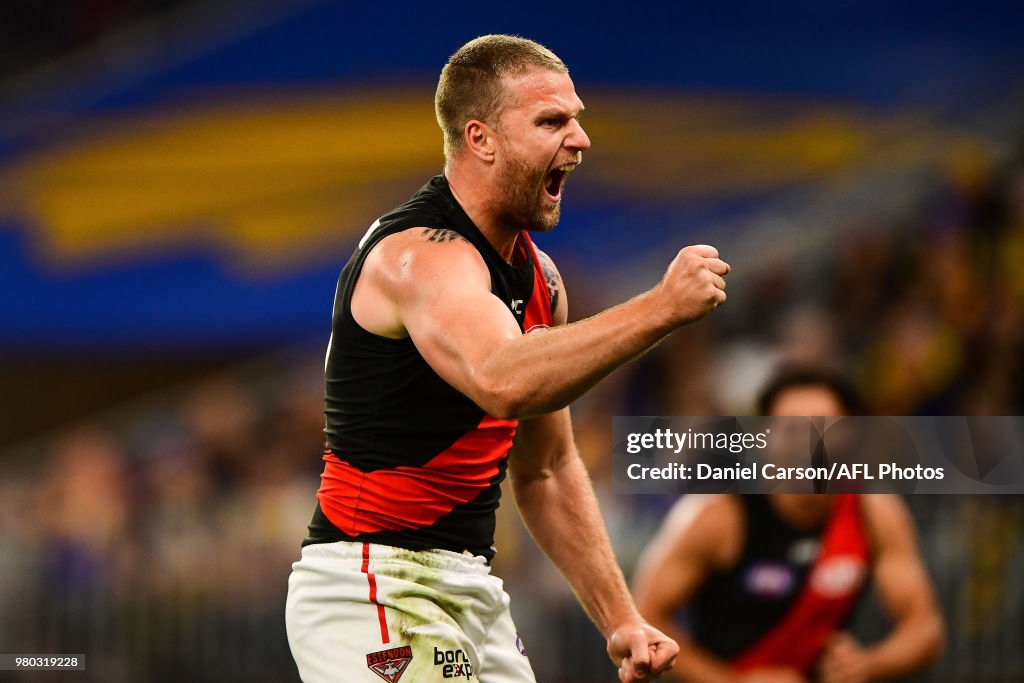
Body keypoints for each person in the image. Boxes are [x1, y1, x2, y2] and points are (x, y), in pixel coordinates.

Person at [285, 34, 730, 683]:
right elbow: (501, 378)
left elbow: (546, 468)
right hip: (371, 585)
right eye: (552, 120)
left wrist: (621, 618)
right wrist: (660, 307)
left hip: (469, 585)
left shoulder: (540, 280)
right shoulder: (421, 253)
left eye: (577, 117)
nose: (579, 139)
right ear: (481, 139)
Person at [632, 367, 945, 683]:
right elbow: (643, 620)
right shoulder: (718, 514)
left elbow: (924, 631)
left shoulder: (872, 511)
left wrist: (867, 665)